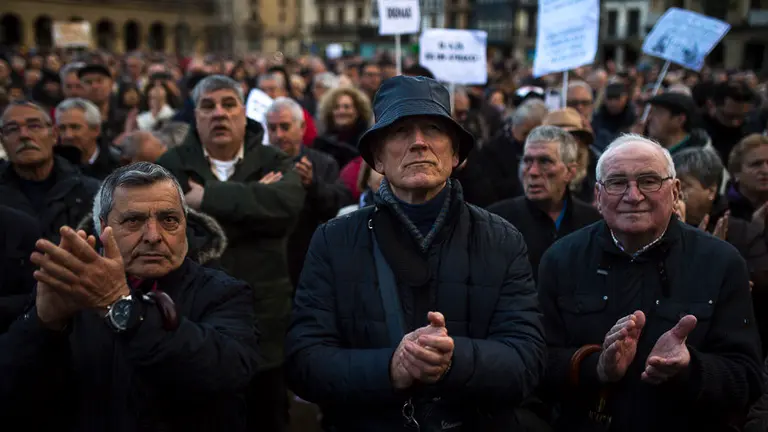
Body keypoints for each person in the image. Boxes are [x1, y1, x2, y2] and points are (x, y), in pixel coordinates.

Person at [286, 75, 545, 431]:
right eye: (400, 131)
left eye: (433, 130)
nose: (419, 143)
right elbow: (304, 363)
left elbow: (528, 362)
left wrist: (454, 359)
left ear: (455, 154)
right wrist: (391, 367)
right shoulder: (333, 241)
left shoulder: (502, 239)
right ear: (377, 158)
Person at [0, 162, 260, 431]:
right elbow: (13, 395)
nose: (153, 236)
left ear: (185, 224)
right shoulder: (71, 290)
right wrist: (42, 325)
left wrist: (121, 306)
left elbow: (228, 373)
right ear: (103, 227)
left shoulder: (223, 292)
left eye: (169, 220)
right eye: (133, 221)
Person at [538, 134, 764, 431]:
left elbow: (747, 379)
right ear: (598, 196)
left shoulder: (722, 262)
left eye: (648, 181)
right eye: (617, 182)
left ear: (676, 191)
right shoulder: (560, 259)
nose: (633, 196)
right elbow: (536, 364)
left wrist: (688, 367)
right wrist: (595, 367)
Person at [155, 75, 305, 432]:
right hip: (193, 317)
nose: (219, 114)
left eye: (228, 104)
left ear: (243, 113)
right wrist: (253, 203)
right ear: (195, 116)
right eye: (208, 106)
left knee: (267, 415)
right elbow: (173, 236)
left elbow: (286, 206)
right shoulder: (172, 164)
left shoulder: (273, 159)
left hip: (264, 315)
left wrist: (206, 199)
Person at [489, 125, 600, 280]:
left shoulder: (593, 223)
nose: (533, 172)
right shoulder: (496, 222)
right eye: (527, 161)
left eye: (545, 161)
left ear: (570, 172)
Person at [264, 96, 352, 286]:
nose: (278, 135)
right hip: (269, 265)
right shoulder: (259, 164)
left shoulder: (324, 163)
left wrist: (313, 184)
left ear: (302, 127)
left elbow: (338, 206)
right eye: (272, 128)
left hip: (312, 258)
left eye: (285, 127)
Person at [0, 101, 99, 243]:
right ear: (2, 141)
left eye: (34, 126)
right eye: (12, 129)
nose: (24, 135)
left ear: (54, 134)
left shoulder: (91, 193)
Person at [55, 98, 121, 179]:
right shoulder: (51, 168)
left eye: (75, 127)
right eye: (62, 128)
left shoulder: (118, 165)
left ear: (96, 130)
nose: (68, 135)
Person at [646, 92, 711, 154]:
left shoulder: (695, 158)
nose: (649, 118)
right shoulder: (653, 150)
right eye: (652, 112)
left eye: (659, 113)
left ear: (680, 120)